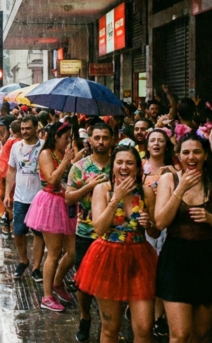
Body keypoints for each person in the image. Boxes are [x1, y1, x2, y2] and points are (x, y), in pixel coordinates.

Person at [154, 133, 212, 343]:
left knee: (201, 334)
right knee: (180, 335)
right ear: (178, 156)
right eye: (186, 152)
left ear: (205, 154)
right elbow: (160, 222)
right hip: (176, 259)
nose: (191, 157)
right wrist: (180, 189)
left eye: (197, 151)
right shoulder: (168, 180)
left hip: (208, 259)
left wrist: (211, 219)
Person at [74, 146, 159, 343]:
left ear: (138, 167)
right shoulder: (102, 189)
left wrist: (150, 224)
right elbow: (100, 228)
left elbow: (155, 231)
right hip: (108, 259)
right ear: (112, 167)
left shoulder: (146, 192)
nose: (124, 167)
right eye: (119, 162)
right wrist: (116, 199)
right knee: (111, 328)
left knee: (144, 328)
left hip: (140, 259)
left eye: (129, 163)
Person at [65, 122, 113, 342]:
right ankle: (85, 318)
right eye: (97, 137)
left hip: (113, 234)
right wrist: (88, 187)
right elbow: (68, 197)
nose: (101, 141)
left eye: (105, 137)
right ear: (90, 140)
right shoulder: (80, 167)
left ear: (112, 139)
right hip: (86, 232)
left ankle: (108, 323)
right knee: (83, 282)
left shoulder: (119, 165)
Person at [24, 121, 77, 311]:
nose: (68, 142)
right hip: (51, 204)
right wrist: (65, 161)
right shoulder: (46, 153)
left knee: (72, 251)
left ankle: (58, 282)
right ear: (56, 137)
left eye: (70, 138)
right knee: (53, 253)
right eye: (65, 138)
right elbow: (52, 178)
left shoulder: (64, 153)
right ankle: (47, 296)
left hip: (67, 202)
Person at [4, 115, 45, 280]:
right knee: (18, 231)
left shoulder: (44, 146)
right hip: (21, 197)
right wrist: (8, 193)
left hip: (40, 198)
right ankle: (23, 261)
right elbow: (11, 170)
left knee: (39, 233)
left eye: (28, 128)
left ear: (36, 128)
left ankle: (36, 267)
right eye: (22, 129)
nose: (25, 132)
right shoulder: (16, 147)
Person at [142, 128, 175, 337]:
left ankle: (158, 316)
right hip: (144, 224)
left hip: (167, 227)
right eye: (152, 140)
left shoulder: (174, 170)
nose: (156, 144)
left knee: (162, 270)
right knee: (146, 270)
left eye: (160, 140)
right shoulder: (140, 169)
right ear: (146, 145)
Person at [0, 117, 19, 234]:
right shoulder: (15, 142)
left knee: (8, 201)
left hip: (6, 173)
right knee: (9, 201)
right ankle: (10, 226)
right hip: (8, 173)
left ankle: (10, 226)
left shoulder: (13, 141)